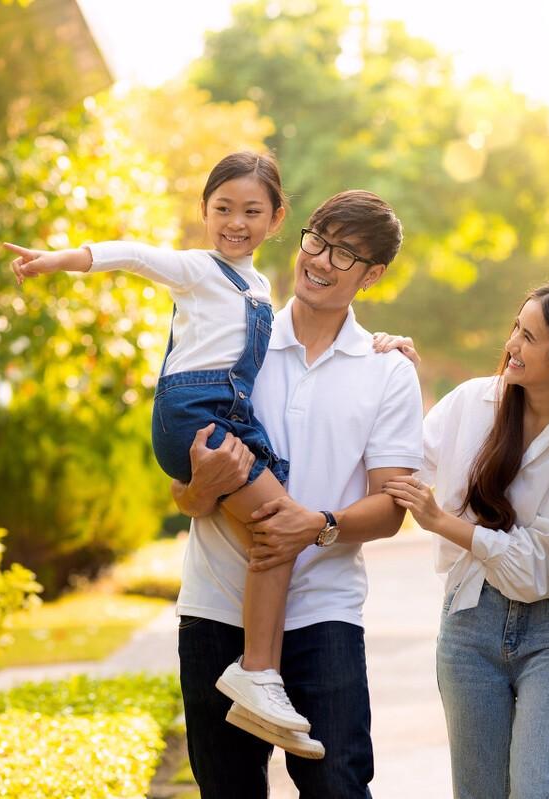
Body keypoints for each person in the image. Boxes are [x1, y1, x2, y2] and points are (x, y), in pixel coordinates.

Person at [8, 153, 356, 753]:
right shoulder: (197, 269)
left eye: (252, 211)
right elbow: (137, 256)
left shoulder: (259, 286)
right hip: (194, 415)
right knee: (278, 526)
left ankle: (259, 679)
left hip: (229, 415)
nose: (235, 222)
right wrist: (63, 260)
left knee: (274, 538)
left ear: (276, 219)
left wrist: (378, 342)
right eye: (222, 208)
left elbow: (300, 337)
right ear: (204, 211)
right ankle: (257, 676)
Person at [171, 189, 423, 795]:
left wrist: (318, 524)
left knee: (338, 784)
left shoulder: (387, 370)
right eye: (318, 240)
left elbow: (393, 505)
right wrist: (199, 488)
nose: (321, 261)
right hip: (215, 606)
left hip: (323, 611)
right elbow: (183, 493)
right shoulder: (234, 345)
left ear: (373, 276)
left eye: (346, 254)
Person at [379, 282, 549, 798]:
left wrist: (441, 521)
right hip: (471, 621)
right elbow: (398, 457)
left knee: (539, 788)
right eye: (516, 328)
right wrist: (392, 378)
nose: (513, 345)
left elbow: (532, 569)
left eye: (531, 336)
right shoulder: (473, 403)